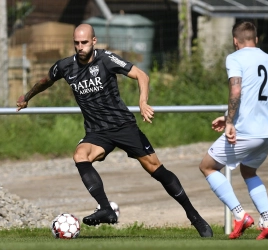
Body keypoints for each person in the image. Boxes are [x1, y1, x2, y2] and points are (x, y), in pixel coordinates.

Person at [16, 23, 213, 237]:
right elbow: (46, 81)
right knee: (80, 155)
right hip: (97, 132)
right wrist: (26, 97)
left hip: (123, 126)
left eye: (84, 42)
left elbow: (141, 75)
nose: (79, 47)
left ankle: (195, 217)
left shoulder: (106, 59)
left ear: (93, 41)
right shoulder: (64, 66)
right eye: (76, 43)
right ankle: (106, 209)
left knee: (157, 170)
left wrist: (143, 102)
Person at [198, 20, 268, 240]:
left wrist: (231, 122)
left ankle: (240, 215)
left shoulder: (235, 57)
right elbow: (256, 99)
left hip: (247, 131)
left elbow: (236, 90)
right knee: (248, 171)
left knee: (207, 166)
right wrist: (227, 117)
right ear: (257, 39)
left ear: (235, 41)